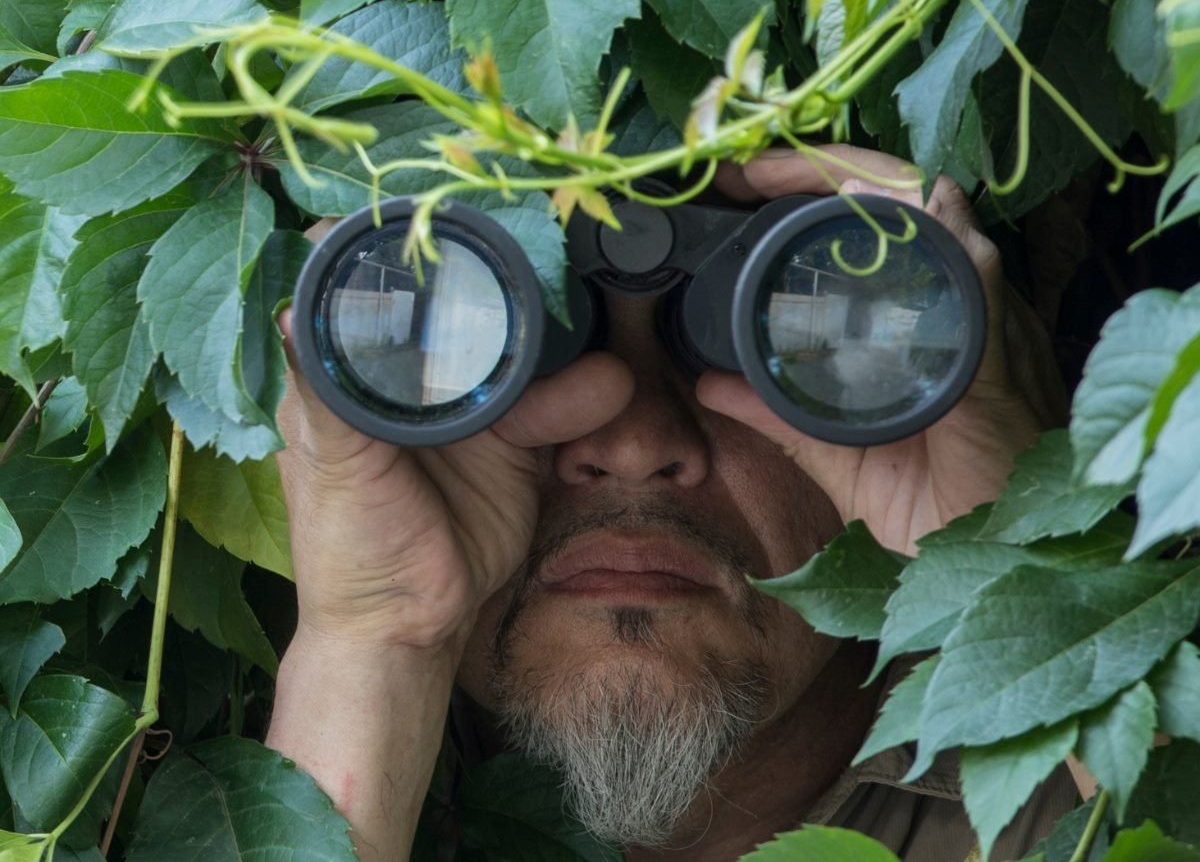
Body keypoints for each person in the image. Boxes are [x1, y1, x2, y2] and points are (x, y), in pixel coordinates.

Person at [266, 145, 1079, 862]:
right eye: (499, 342)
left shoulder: (1071, 802)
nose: (632, 444)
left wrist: (1014, 557)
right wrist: (375, 637)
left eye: (794, 337)